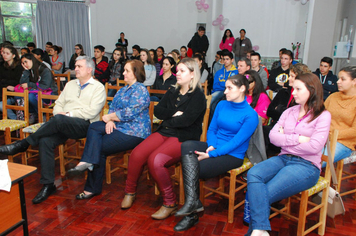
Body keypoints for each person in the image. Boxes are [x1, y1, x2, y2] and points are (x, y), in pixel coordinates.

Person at [0, 56, 106, 204]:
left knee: (58, 120)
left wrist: (67, 115)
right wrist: (60, 113)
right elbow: (58, 104)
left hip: (84, 126)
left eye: (79, 66)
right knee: (45, 141)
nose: (75, 69)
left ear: (89, 70)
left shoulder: (98, 87)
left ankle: (24, 144)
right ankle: (48, 184)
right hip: (61, 123)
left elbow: (91, 112)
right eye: (75, 66)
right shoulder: (70, 84)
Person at [245, 73, 331, 236]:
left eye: (298, 89)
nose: (294, 92)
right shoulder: (289, 112)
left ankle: (257, 231)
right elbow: (272, 137)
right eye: (293, 88)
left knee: (264, 193)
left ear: (312, 90)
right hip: (283, 158)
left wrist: (285, 139)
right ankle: (260, 230)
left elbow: (314, 147)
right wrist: (298, 139)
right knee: (253, 173)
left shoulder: (323, 115)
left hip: (307, 166)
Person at [121, 57, 206, 220]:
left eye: (182, 71)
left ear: (193, 74)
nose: (177, 74)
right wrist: (174, 115)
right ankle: (129, 192)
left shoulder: (198, 96)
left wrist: (170, 118)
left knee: (155, 160)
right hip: (165, 131)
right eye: (177, 70)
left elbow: (186, 121)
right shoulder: (173, 91)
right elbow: (158, 111)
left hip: (183, 137)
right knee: (137, 154)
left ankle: (170, 203)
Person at [173, 74, 258, 231]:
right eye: (225, 88)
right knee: (186, 146)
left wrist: (211, 154)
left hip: (233, 155)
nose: (225, 91)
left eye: (229, 88)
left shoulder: (251, 115)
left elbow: (236, 143)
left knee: (196, 168)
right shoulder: (221, 105)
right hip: (214, 146)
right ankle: (194, 204)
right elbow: (212, 129)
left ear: (242, 89)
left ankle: (191, 213)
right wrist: (211, 146)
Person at [68, 60, 151, 199]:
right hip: (119, 126)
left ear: (136, 73)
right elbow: (113, 106)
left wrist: (109, 117)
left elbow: (129, 113)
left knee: (97, 147)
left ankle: (90, 185)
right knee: (94, 126)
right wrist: (110, 119)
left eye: (127, 71)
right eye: (124, 70)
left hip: (134, 132)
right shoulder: (122, 90)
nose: (123, 73)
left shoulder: (141, 90)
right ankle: (87, 163)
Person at [264, 63, 311, 156]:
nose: (289, 78)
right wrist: (284, 112)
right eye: (289, 75)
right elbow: (270, 111)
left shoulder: (304, 97)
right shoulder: (283, 91)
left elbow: (297, 118)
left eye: (292, 76)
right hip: (276, 127)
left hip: (292, 132)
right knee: (262, 130)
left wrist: (280, 110)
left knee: (266, 133)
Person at [324, 66, 356, 165]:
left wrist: (331, 135)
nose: (338, 82)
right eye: (338, 78)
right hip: (323, 137)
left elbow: (354, 130)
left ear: (354, 81)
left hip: (344, 142)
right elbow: (320, 116)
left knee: (317, 161)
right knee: (301, 155)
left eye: (343, 79)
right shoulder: (333, 97)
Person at [0, 45, 23, 119]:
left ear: (13, 55)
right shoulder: (1, 65)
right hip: (3, 90)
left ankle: (16, 120)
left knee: (1, 105)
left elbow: (17, 81)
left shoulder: (19, 67)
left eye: (7, 53)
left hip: (13, 93)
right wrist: (6, 84)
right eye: (3, 53)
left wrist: (4, 82)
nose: (4, 55)